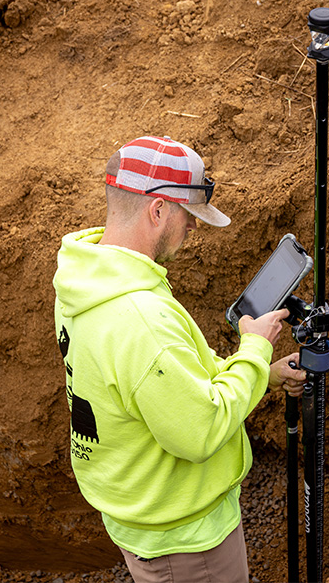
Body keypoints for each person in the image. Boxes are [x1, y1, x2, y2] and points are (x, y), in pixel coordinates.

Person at [52, 135, 307, 583]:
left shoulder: (86, 280)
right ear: (157, 211)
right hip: (186, 541)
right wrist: (254, 348)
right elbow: (200, 430)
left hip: (142, 512)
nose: (192, 226)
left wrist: (262, 376)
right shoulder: (141, 318)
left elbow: (162, 385)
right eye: (188, 214)